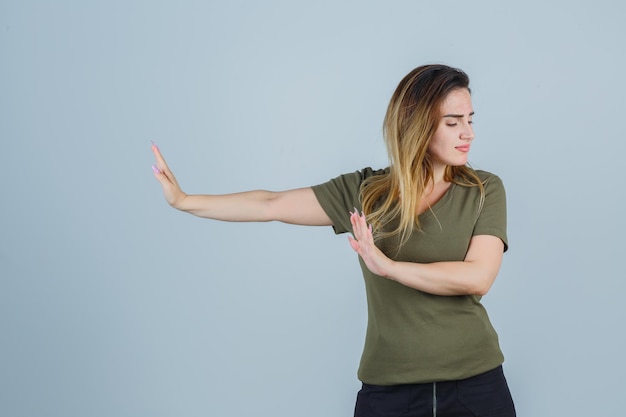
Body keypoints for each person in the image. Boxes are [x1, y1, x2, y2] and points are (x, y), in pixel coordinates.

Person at [151, 64, 516, 417]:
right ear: (416, 124)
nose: (468, 133)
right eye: (453, 123)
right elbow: (270, 203)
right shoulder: (366, 192)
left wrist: (388, 267)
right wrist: (185, 201)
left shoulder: (484, 190)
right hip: (389, 389)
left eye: (470, 120)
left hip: (476, 387)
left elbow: (477, 276)